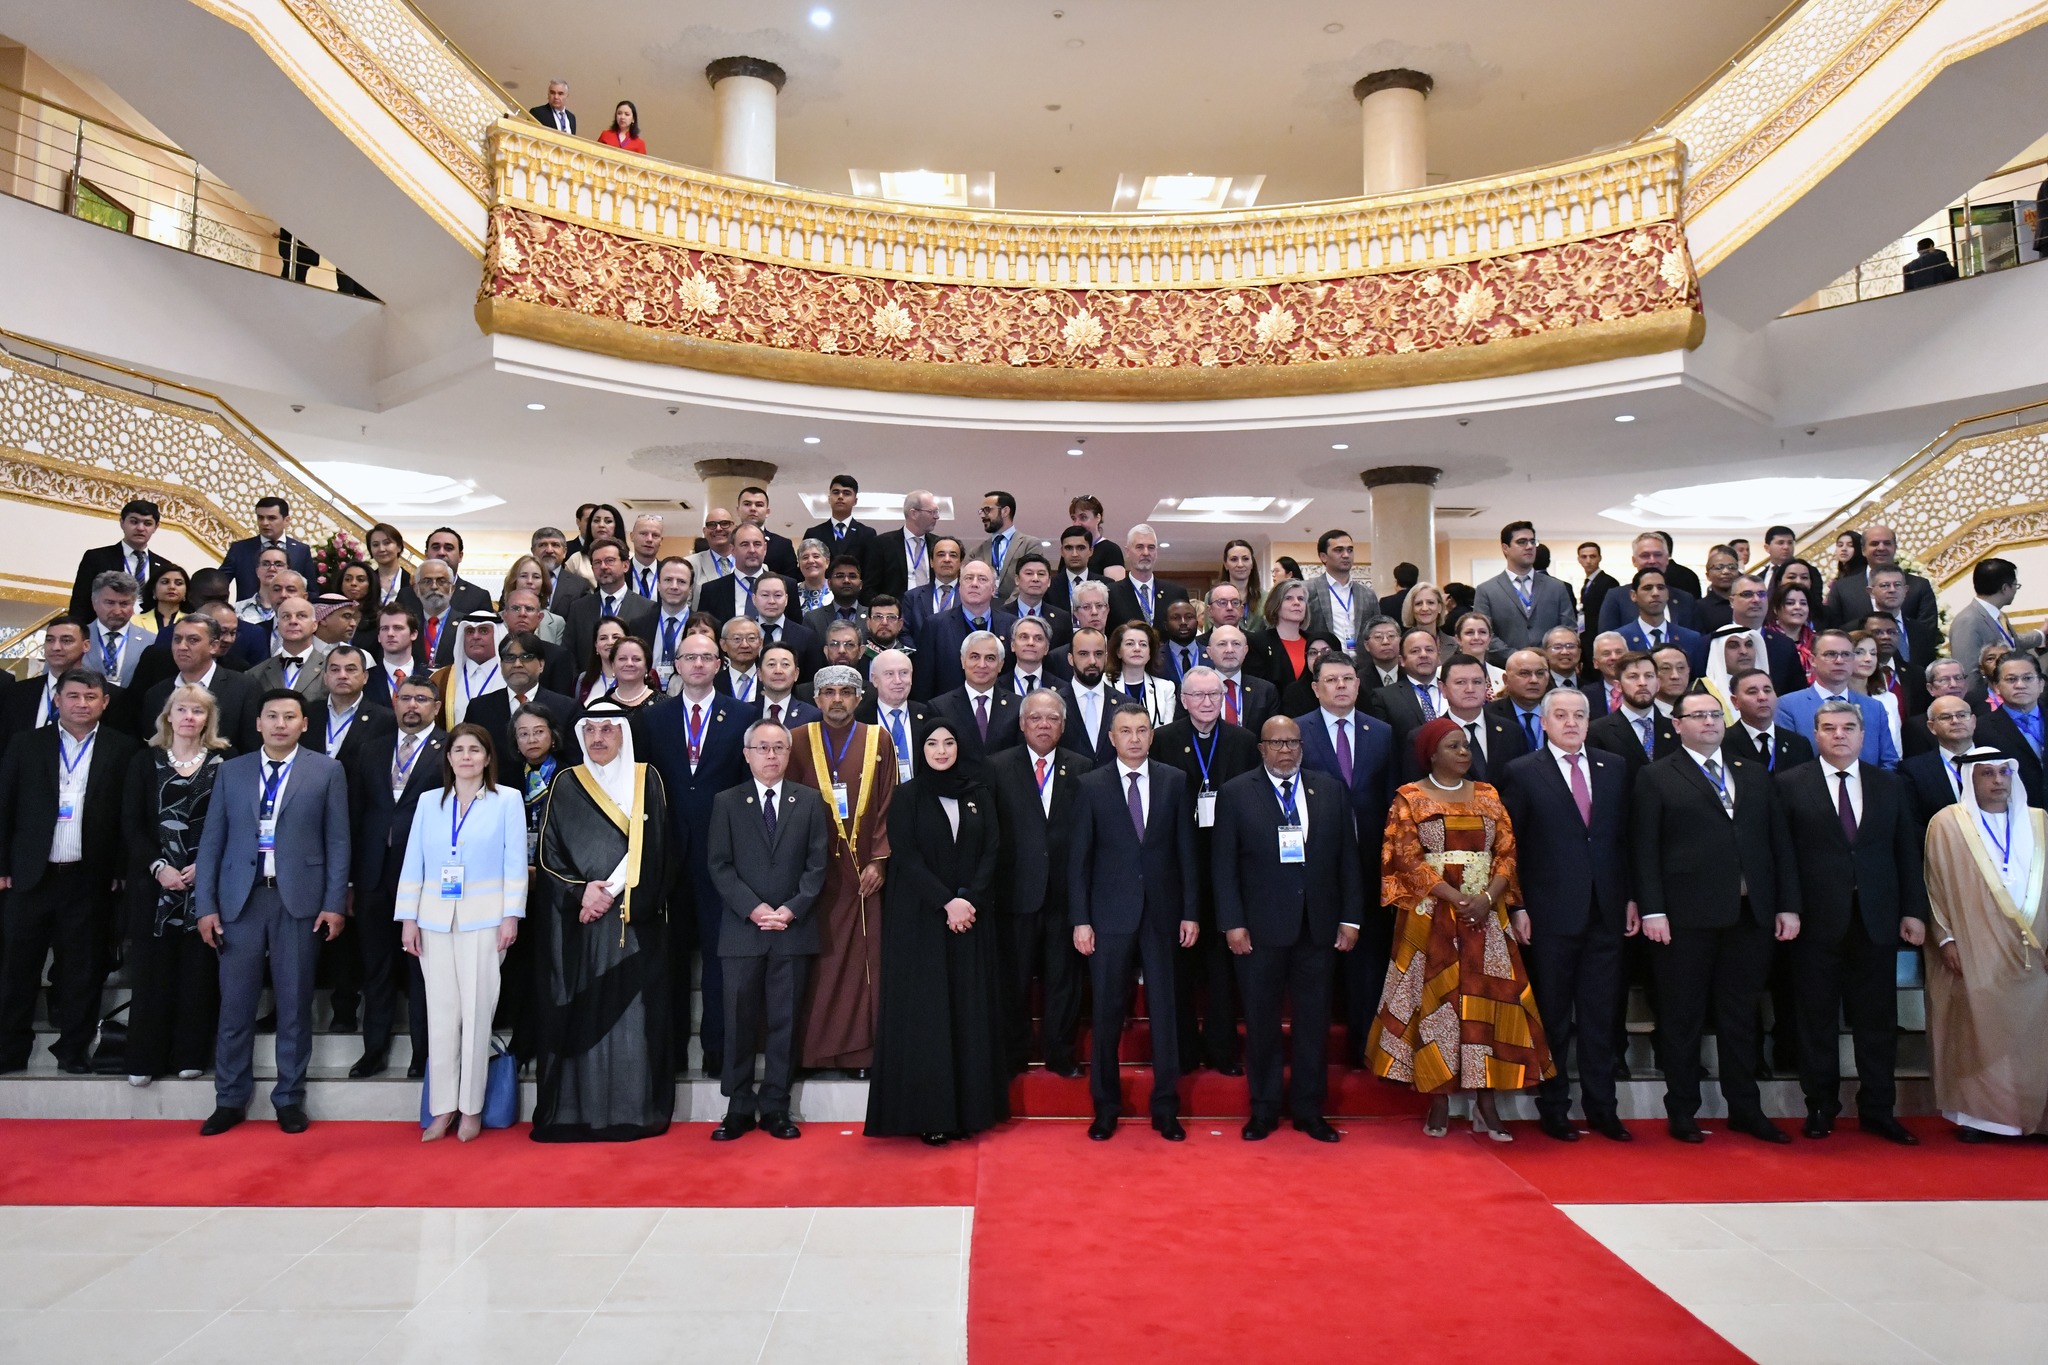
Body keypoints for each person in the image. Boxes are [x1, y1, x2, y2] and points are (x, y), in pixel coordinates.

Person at [1631, 685, 1801, 1144]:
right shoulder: (1656, 776)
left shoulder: (1750, 773)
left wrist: (1786, 903)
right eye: (1698, 715)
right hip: (1684, 917)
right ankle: (1682, 1110)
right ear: (1678, 725)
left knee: (1741, 1017)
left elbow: (1778, 844)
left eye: (1714, 715)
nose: (1709, 722)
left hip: (1749, 914)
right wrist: (1653, 910)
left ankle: (1746, 1108)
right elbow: (1644, 849)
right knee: (1683, 1017)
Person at [1367, 716, 1551, 1140]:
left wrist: (1487, 898)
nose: (1464, 752)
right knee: (1437, 1002)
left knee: (1488, 1003)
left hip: (1487, 916)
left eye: (1466, 745)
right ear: (1431, 754)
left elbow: (1506, 853)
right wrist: (1454, 899)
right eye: (1453, 746)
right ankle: (1438, 1094)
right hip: (1432, 915)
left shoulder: (1488, 795)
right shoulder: (1409, 798)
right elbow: (1405, 859)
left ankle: (1487, 1101)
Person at [193, 688, 350, 1135]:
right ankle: (230, 1099)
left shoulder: (327, 770)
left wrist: (333, 903)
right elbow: (212, 843)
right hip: (240, 900)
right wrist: (205, 905)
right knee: (235, 1005)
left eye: (289, 717)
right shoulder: (233, 772)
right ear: (258, 723)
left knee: (296, 1004)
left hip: (298, 900)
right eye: (272, 716)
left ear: (304, 724)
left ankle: (289, 1098)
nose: (280, 724)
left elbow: (339, 842)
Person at [1775, 701, 1926, 1144]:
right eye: (1829, 728)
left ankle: (1879, 1108)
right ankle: (1820, 1106)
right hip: (1814, 922)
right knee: (1815, 1019)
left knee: (1877, 1021)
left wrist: (1913, 911)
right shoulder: (1788, 784)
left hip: (1876, 920)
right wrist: (1788, 907)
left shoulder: (1889, 785)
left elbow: (1905, 853)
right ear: (1816, 735)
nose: (1839, 735)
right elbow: (1782, 855)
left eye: (1848, 728)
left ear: (1863, 735)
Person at [530, 700, 680, 1140]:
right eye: (590, 730)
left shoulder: (645, 778)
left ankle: (632, 1109)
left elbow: (655, 844)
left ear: (622, 734)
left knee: (633, 1017)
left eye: (607, 730)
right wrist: (582, 892)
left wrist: (609, 892)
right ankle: (579, 1110)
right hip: (579, 924)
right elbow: (548, 852)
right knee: (584, 1011)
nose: (598, 738)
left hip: (634, 920)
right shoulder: (564, 782)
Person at [1211, 715, 1360, 1141]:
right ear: (1261, 748)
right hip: (1258, 932)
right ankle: (1264, 1109)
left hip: (1318, 929)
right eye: (1276, 743)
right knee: (1260, 1024)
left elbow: (1347, 859)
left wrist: (1350, 918)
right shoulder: (1237, 793)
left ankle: (1310, 1111)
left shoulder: (1330, 790)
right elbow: (1223, 867)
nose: (1285, 750)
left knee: (1313, 1025)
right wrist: (1232, 924)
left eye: (1292, 742)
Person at [864, 717, 1008, 1144]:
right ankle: (932, 1114)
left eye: (949, 742)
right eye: (932, 743)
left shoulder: (979, 792)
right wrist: (947, 902)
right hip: (922, 920)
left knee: (968, 1010)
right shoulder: (907, 795)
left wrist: (968, 900)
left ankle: (971, 1110)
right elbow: (906, 857)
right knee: (928, 1016)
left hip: (971, 918)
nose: (941, 750)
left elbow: (992, 850)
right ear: (921, 750)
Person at [1502, 689, 1634, 1142]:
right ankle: (1554, 1107)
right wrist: (1517, 906)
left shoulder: (1613, 768)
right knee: (1554, 1017)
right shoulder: (1522, 772)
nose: (1572, 723)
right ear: (1544, 721)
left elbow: (1622, 840)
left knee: (1601, 1016)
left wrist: (1631, 898)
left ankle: (1603, 1108)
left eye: (1580, 715)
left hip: (1607, 909)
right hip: (1550, 914)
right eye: (1561, 715)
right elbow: (1511, 849)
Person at [0, 669, 140, 1072]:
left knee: (82, 971)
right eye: (74, 696)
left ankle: (73, 1049)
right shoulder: (25, 744)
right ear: (57, 699)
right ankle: (10, 1049)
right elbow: (4, 806)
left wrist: (118, 868)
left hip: (89, 877)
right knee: (17, 969)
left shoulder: (123, 748)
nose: (82, 703)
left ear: (104, 702)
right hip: (30, 875)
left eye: (91, 697)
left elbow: (126, 817)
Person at [1069, 703, 1198, 1141]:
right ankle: (1105, 1107)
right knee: (1106, 1014)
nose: (1135, 738)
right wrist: (1081, 919)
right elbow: (1079, 861)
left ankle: (1165, 1107)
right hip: (1108, 915)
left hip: (1162, 914)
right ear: (1112, 737)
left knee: (1165, 1013)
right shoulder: (1090, 785)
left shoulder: (1174, 781)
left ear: (1151, 734)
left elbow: (1187, 853)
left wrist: (1190, 911)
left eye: (1142, 730)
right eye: (1126, 731)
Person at [394, 724, 526, 1141]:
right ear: (448, 758)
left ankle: (472, 1108)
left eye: (475, 750)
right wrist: (408, 918)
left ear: (488, 758)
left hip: (485, 919)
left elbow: (514, 863)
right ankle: (443, 1108)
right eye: (459, 750)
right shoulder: (431, 802)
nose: (466, 757)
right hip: (434, 918)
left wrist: (511, 916)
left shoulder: (507, 800)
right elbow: (413, 861)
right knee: (442, 1015)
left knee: (476, 1014)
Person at [641, 632, 760, 1079]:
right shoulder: (656, 718)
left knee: (719, 955)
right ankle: (667, 1055)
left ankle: (718, 1051)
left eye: (706, 657)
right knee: (667, 957)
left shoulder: (744, 715)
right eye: (688, 657)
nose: (697, 664)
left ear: (719, 663)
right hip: (668, 855)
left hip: (721, 855)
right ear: (676, 663)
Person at [705, 719, 828, 1141]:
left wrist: (791, 910)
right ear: (747, 754)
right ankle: (738, 1106)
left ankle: (776, 1105)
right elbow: (718, 865)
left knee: (785, 1020)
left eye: (778, 747)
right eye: (762, 747)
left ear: (788, 753)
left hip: (792, 929)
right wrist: (753, 908)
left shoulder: (810, 801)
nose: (771, 755)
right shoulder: (726, 801)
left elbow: (817, 866)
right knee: (738, 1021)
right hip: (742, 930)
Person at [1923, 749, 2048, 1141]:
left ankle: (2035, 1115)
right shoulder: (1946, 824)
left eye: (2003, 773)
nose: (1997, 781)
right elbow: (1934, 887)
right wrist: (1945, 937)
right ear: (1970, 780)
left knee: (2035, 1032)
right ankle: (1981, 1120)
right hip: (1973, 943)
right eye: (1987, 774)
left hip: (2035, 945)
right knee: (1976, 1027)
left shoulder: (2039, 821)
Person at [785, 665, 897, 1074]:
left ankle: (858, 1054)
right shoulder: (796, 740)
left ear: (859, 697)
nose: (837, 699)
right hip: (810, 877)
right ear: (815, 699)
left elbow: (888, 804)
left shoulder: (877, 739)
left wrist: (880, 860)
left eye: (845, 692)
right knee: (813, 966)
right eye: (828, 691)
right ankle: (810, 1053)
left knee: (859, 965)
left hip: (862, 876)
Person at [1151, 666, 1258, 1075]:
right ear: (1183, 700)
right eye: (1197, 696)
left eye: (1214, 694)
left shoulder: (1244, 741)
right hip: (1178, 865)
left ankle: (1222, 1049)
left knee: (1222, 968)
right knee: (1178, 965)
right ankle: (1180, 1051)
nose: (1207, 702)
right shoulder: (1163, 741)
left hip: (1229, 863)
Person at [121, 683, 230, 1086]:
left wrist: (206, 865)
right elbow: (130, 824)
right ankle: (144, 1059)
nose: (189, 718)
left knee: (198, 973)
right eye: (182, 710)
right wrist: (158, 867)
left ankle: (190, 1054)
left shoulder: (225, 761)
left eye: (198, 712)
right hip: (155, 886)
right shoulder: (143, 761)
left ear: (208, 720)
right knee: (152, 974)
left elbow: (234, 821)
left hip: (206, 884)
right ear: (168, 715)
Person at [346, 674, 445, 1079]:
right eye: (406, 698)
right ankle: (374, 1050)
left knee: (423, 969)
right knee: (376, 966)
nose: (413, 706)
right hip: (373, 872)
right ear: (394, 701)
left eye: (422, 699)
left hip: (425, 875)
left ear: (436, 708)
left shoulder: (451, 750)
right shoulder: (370, 749)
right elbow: (354, 814)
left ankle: (423, 1053)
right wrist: (350, 879)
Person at [987, 689, 1091, 1076]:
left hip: (1066, 896)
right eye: (1035, 718)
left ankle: (1059, 1054)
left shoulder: (1083, 768)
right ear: (1021, 723)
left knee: (1063, 979)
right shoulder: (996, 768)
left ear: (1063, 726)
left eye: (1051, 719)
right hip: (1015, 895)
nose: (1043, 725)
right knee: (1012, 981)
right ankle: (1013, 1054)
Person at [1776, 629, 1901, 769]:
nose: (1839, 661)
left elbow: (1889, 762)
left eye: (1846, 654)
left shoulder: (1874, 708)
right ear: (1812, 660)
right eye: (1830, 654)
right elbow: (1788, 765)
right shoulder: (1787, 706)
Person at [70, 499, 183, 623]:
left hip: (149, 633)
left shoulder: (164, 566)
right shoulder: (96, 557)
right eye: (134, 522)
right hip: (104, 629)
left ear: (156, 527)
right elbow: (80, 603)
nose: (140, 528)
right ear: (122, 522)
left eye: (147, 523)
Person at [1474, 521, 1576, 653]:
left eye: (1533, 542)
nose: (1529, 546)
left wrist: (1545, 657)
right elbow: (1484, 633)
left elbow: (1568, 629)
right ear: (1505, 548)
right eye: (1522, 542)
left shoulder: (1556, 587)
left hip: (1549, 666)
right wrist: (1518, 658)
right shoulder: (1487, 590)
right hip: (1504, 666)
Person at [565, 538, 656, 662]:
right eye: (597, 562)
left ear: (625, 565)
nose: (603, 567)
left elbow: (649, 653)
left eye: (610, 560)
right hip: (589, 680)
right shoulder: (579, 608)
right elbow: (569, 654)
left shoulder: (647, 608)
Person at [1976, 650, 2048, 806]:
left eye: (2028, 678)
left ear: (2041, 684)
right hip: (2017, 813)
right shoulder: (1981, 729)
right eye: (2011, 679)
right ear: (1996, 687)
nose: (2020, 685)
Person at [1902, 694, 1977, 831]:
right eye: (1946, 717)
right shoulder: (1914, 770)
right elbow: (1913, 824)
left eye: (1962, 715)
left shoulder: (1998, 760)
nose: (1955, 721)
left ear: (1973, 721)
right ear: (1932, 727)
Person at [1950, 557, 2044, 665]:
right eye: (2015, 586)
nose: (2015, 591)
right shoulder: (1967, 621)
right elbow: (1968, 672)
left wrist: (2042, 633)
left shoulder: (1999, 616)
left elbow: (2013, 643)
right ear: (2005, 588)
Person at [218, 496, 315, 599]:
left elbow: (312, 591)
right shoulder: (240, 549)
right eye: (260, 518)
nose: (264, 523)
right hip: (247, 612)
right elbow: (218, 584)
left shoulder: (301, 551)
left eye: (271, 518)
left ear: (286, 520)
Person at [1723, 668, 1815, 772]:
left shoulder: (1798, 744)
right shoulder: (1723, 743)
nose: (1762, 697)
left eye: (1767, 690)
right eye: (1752, 692)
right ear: (1735, 702)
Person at [1302, 529, 1380, 652]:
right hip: (1323, 663)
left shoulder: (1367, 594)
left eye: (1350, 550)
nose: (1346, 555)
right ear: (1323, 557)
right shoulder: (1307, 590)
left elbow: (1376, 630)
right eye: (1339, 550)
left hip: (1361, 665)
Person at [863, 489, 941, 603]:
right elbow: (869, 588)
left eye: (937, 512)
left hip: (932, 613)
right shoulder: (882, 544)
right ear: (913, 513)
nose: (936, 517)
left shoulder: (938, 544)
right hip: (896, 614)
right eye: (932, 512)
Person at [1106, 524, 1189, 630]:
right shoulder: (1111, 593)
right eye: (1139, 547)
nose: (1146, 553)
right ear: (1127, 552)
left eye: (1151, 547)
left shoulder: (1176, 593)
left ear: (1156, 552)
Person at [970, 489, 1047, 602]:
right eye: (981, 511)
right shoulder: (976, 551)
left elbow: (1029, 581)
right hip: (984, 612)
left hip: (1017, 612)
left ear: (1005, 511)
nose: (982, 515)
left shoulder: (1030, 545)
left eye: (987, 510)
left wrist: (1007, 609)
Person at [803, 474, 879, 566]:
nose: (840, 497)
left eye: (846, 493)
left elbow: (871, 569)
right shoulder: (813, 533)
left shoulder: (867, 534)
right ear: (829, 498)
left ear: (855, 501)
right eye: (836, 492)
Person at [1254, 578, 1313, 693]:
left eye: (1301, 599)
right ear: (1275, 605)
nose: (1296, 602)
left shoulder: (1314, 642)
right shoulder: (1258, 642)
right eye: (1288, 598)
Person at [1217, 538, 1267, 632]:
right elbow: (1209, 636)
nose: (1240, 564)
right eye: (1234, 559)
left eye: (1245, 559)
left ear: (1252, 564)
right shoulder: (1213, 597)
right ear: (1226, 565)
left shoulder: (1266, 598)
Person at [1577, 542, 1618, 630]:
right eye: (1584, 557)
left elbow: (1610, 614)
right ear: (1579, 559)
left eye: (1592, 556)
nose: (1588, 561)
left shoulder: (1609, 582)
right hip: (1587, 634)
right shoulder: (1588, 583)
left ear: (1599, 558)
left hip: (1601, 634)